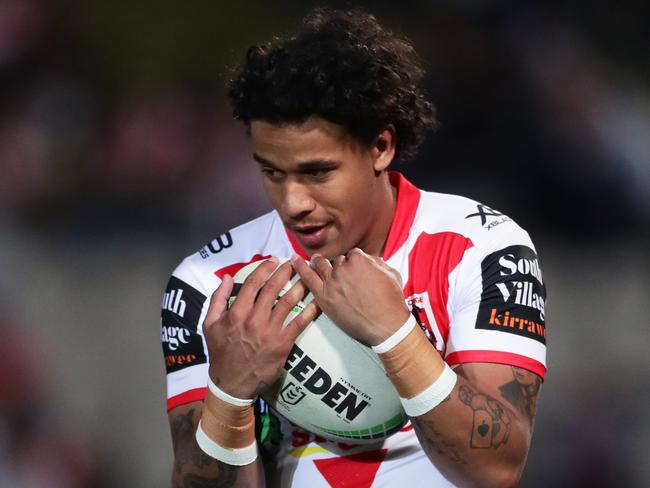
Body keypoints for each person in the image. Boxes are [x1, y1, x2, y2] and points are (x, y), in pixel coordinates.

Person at [161, 7, 546, 487]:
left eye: (318, 172)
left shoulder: (484, 248)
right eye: (272, 172)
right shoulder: (209, 283)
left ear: (381, 147)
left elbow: (497, 466)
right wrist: (230, 393)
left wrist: (394, 333)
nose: (293, 202)